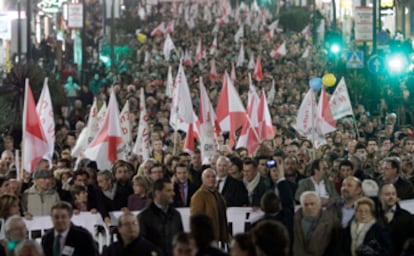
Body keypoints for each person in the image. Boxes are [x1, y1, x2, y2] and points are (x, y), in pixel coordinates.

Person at [138, 178, 183, 255]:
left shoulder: (176, 215)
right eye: (169, 191)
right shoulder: (143, 217)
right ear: (158, 193)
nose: (173, 193)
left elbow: (180, 240)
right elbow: (141, 245)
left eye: (172, 190)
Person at [293, 191, 341, 255]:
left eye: (312, 204)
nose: (309, 207)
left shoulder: (332, 220)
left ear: (319, 204)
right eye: (306, 204)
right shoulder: (294, 220)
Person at [190, 168, 229, 245]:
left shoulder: (218, 195)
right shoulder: (199, 196)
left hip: (218, 237)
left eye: (213, 176)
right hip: (206, 238)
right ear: (202, 179)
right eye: (208, 177)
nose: (211, 179)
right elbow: (195, 219)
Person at [378, 183, 414, 255]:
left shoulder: (407, 217)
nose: (391, 197)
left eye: (393, 194)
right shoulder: (373, 215)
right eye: (387, 194)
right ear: (380, 196)